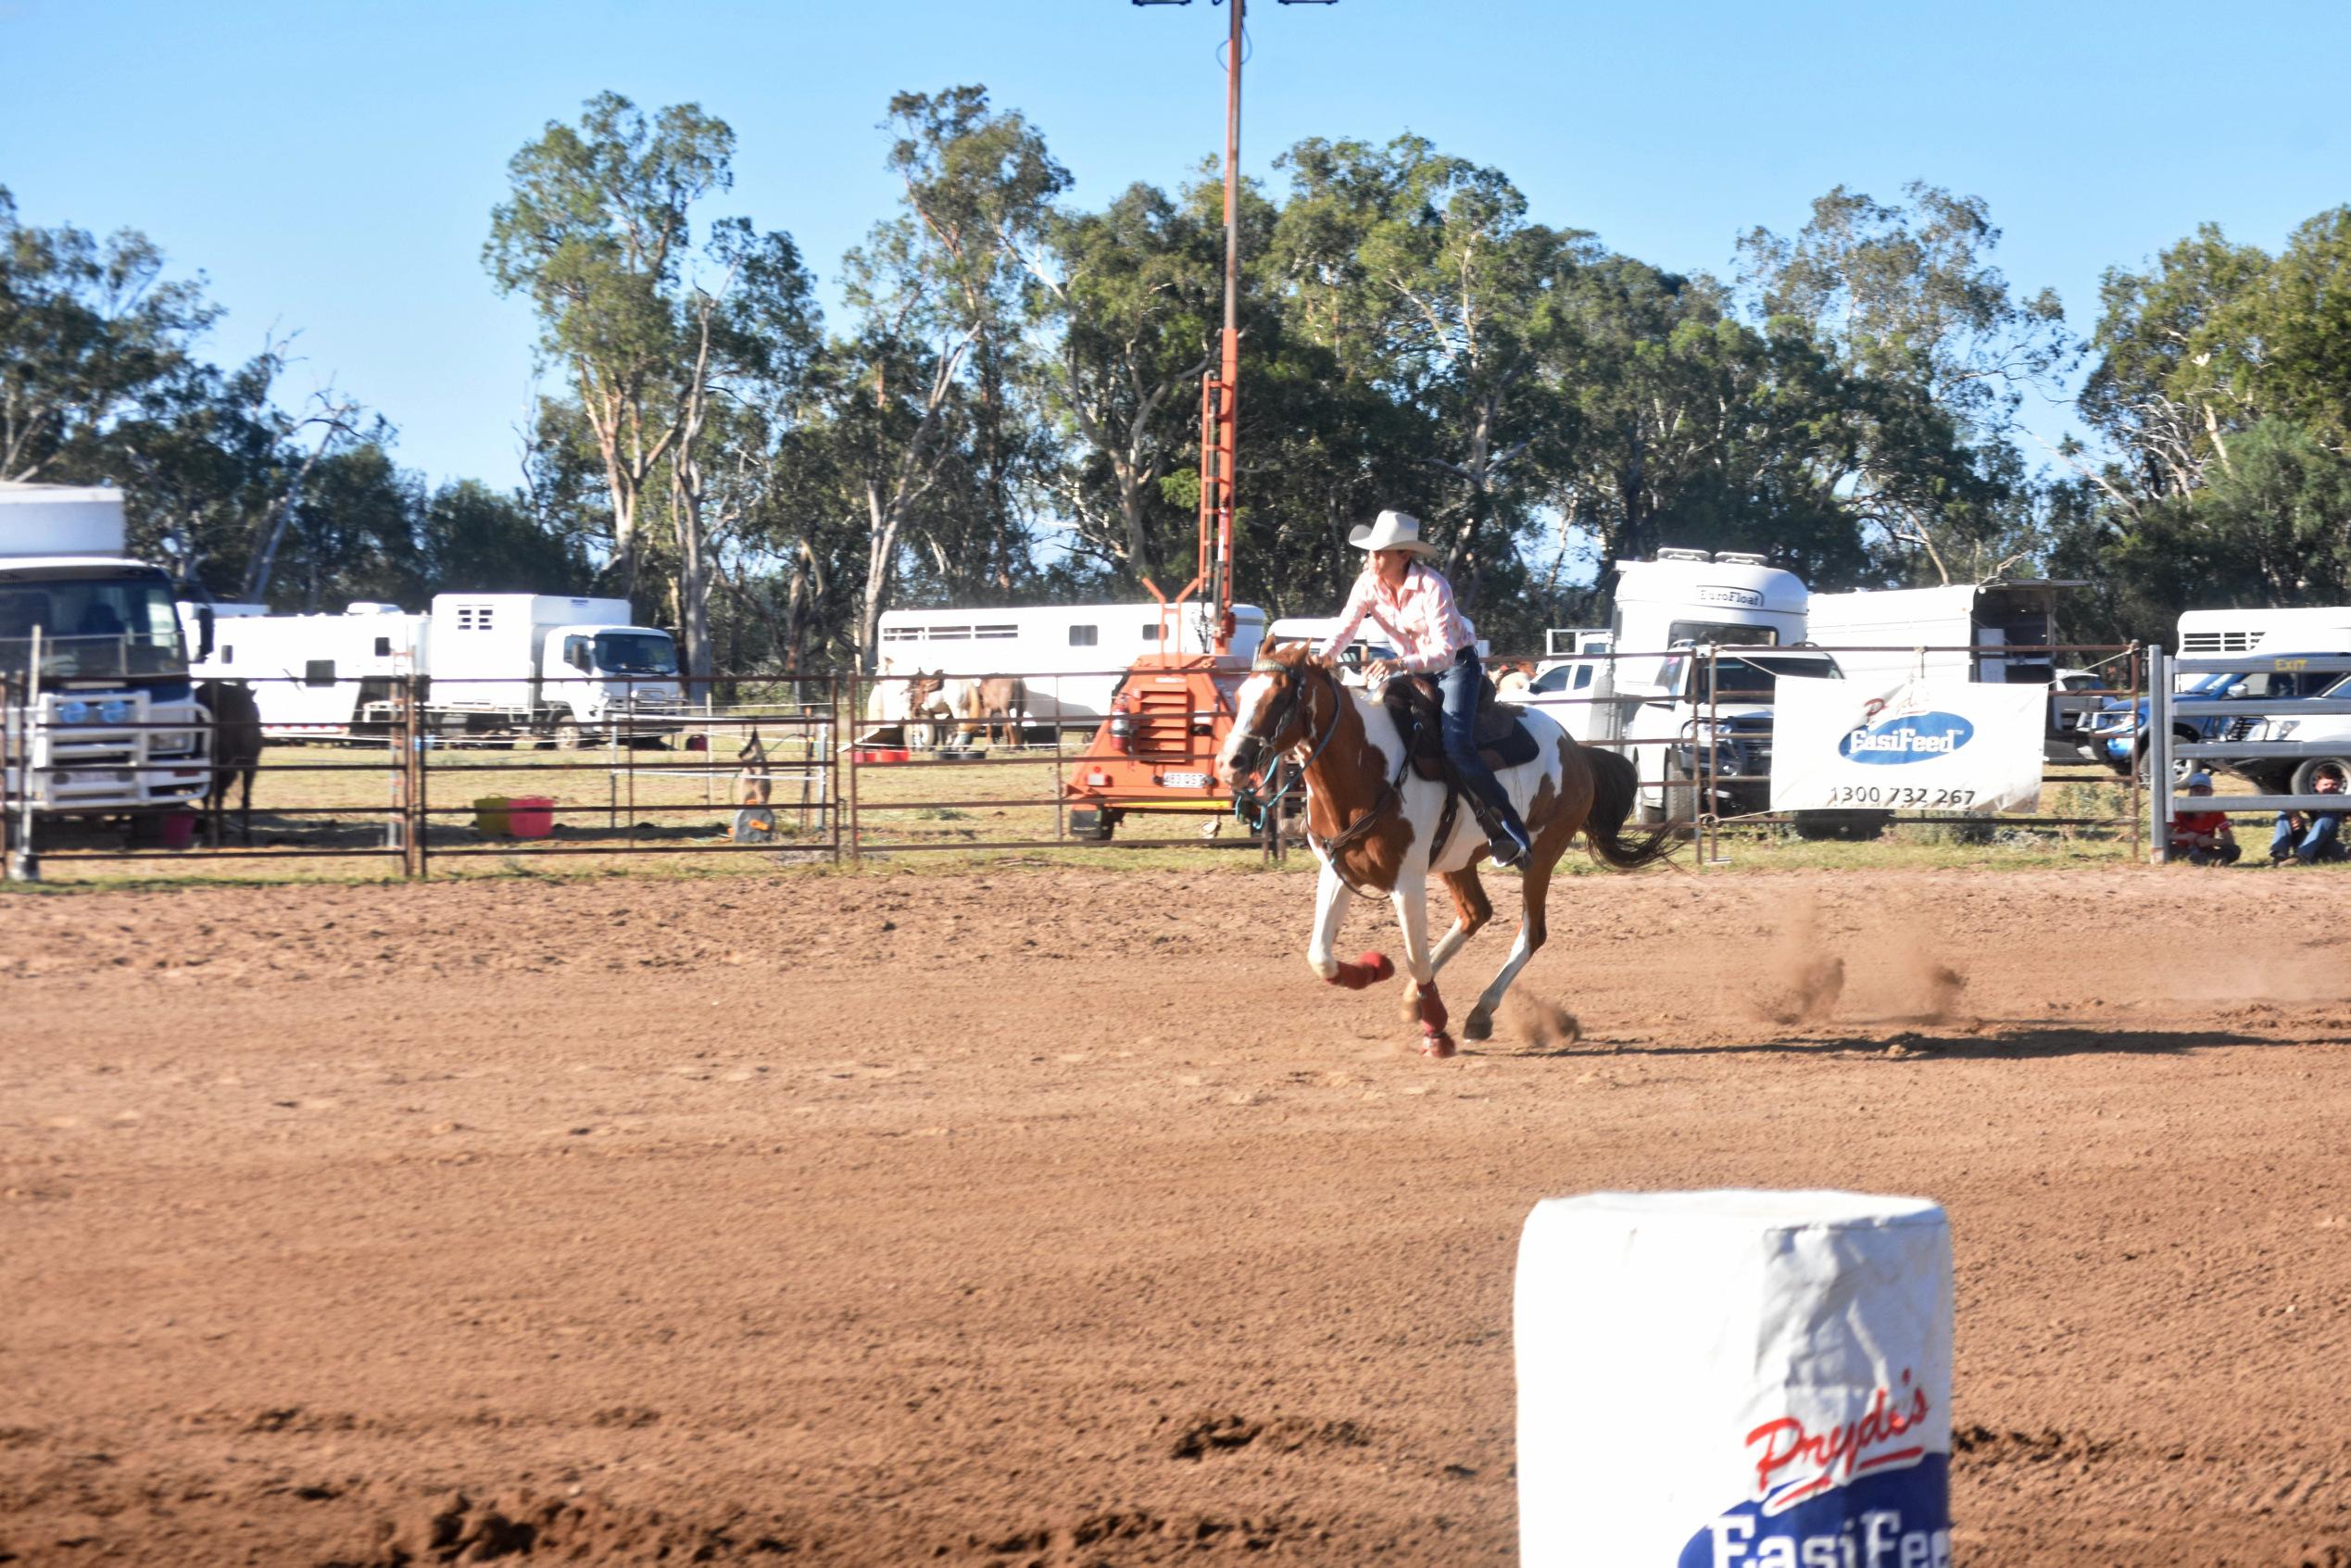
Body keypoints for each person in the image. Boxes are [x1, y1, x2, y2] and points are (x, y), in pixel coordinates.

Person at [1316, 509, 1533, 869]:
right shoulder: (1368, 583)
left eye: (1379, 552)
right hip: (1414, 667)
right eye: (1370, 551)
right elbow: (1345, 627)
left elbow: (1445, 651)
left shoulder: (1434, 586)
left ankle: (1508, 831)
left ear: (1404, 555)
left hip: (1455, 668)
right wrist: (1321, 659)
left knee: (1457, 743)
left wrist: (1398, 664)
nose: (1371, 558)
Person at [2269, 768, 2345, 865]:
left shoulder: (2344, 800)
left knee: (2329, 815)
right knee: (2284, 813)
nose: (2330, 788)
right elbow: (2285, 803)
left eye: (2334, 784)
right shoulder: (2309, 797)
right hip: (2306, 842)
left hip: (2327, 845)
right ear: (2317, 786)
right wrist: (2294, 814)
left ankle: (2302, 857)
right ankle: (2279, 855)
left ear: (2340, 785)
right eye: (2325, 785)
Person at [2169, 771, 2241, 865]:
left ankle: (2205, 859)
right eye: (2197, 790)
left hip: (2207, 850)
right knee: (2168, 847)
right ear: (2190, 793)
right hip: (2184, 849)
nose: (2200, 794)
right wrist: (2185, 837)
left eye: (2204, 790)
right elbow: (2164, 835)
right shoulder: (2181, 809)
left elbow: (2230, 841)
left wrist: (2211, 841)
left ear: (2211, 792)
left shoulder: (2216, 812)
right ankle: (2207, 860)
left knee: (2234, 850)